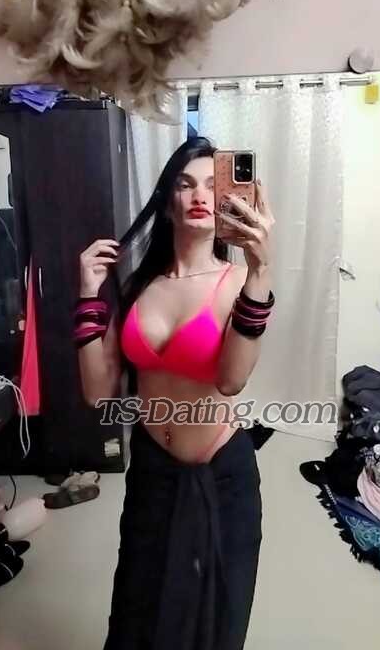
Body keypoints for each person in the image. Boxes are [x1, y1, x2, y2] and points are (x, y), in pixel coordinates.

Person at [75, 137, 275, 650]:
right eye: (185, 185)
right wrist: (87, 296)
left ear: (229, 200)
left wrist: (261, 271)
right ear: (167, 203)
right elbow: (98, 392)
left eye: (212, 184)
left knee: (215, 617)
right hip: (152, 473)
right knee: (139, 605)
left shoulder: (238, 280)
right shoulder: (140, 287)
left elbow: (232, 380)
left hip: (221, 475)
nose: (199, 195)